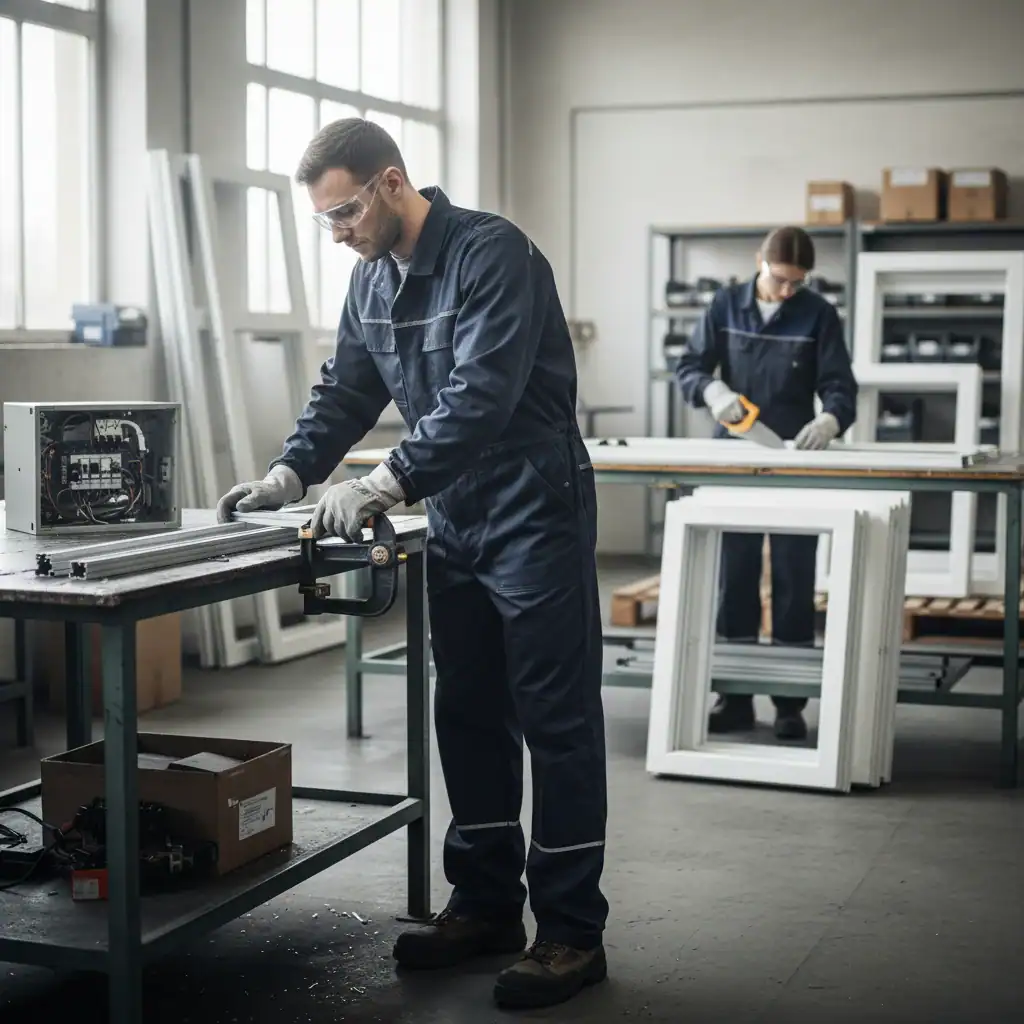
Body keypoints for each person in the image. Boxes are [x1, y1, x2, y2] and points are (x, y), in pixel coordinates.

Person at [216, 119, 608, 1011]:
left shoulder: (492, 255)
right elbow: (348, 387)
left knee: (556, 715)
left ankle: (573, 933)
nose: (340, 230)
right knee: (466, 707)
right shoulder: (370, 279)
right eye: (324, 219)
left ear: (393, 182)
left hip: (534, 500)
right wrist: (292, 470)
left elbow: (484, 389)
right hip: (457, 510)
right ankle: (484, 907)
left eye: (347, 209)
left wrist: (387, 480)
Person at [674, 226, 858, 741]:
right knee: (736, 577)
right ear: (760, 262)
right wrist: (711, 391)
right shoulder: (724, 306)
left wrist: (830, 421)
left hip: (794, 463)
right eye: (780, 280)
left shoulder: (818, 314)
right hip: (733, 460)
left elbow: (841, 387)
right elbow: (688, 366)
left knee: (795, 580)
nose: (786, 292)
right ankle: (733, 698)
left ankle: (789, 704)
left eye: (797, 284)